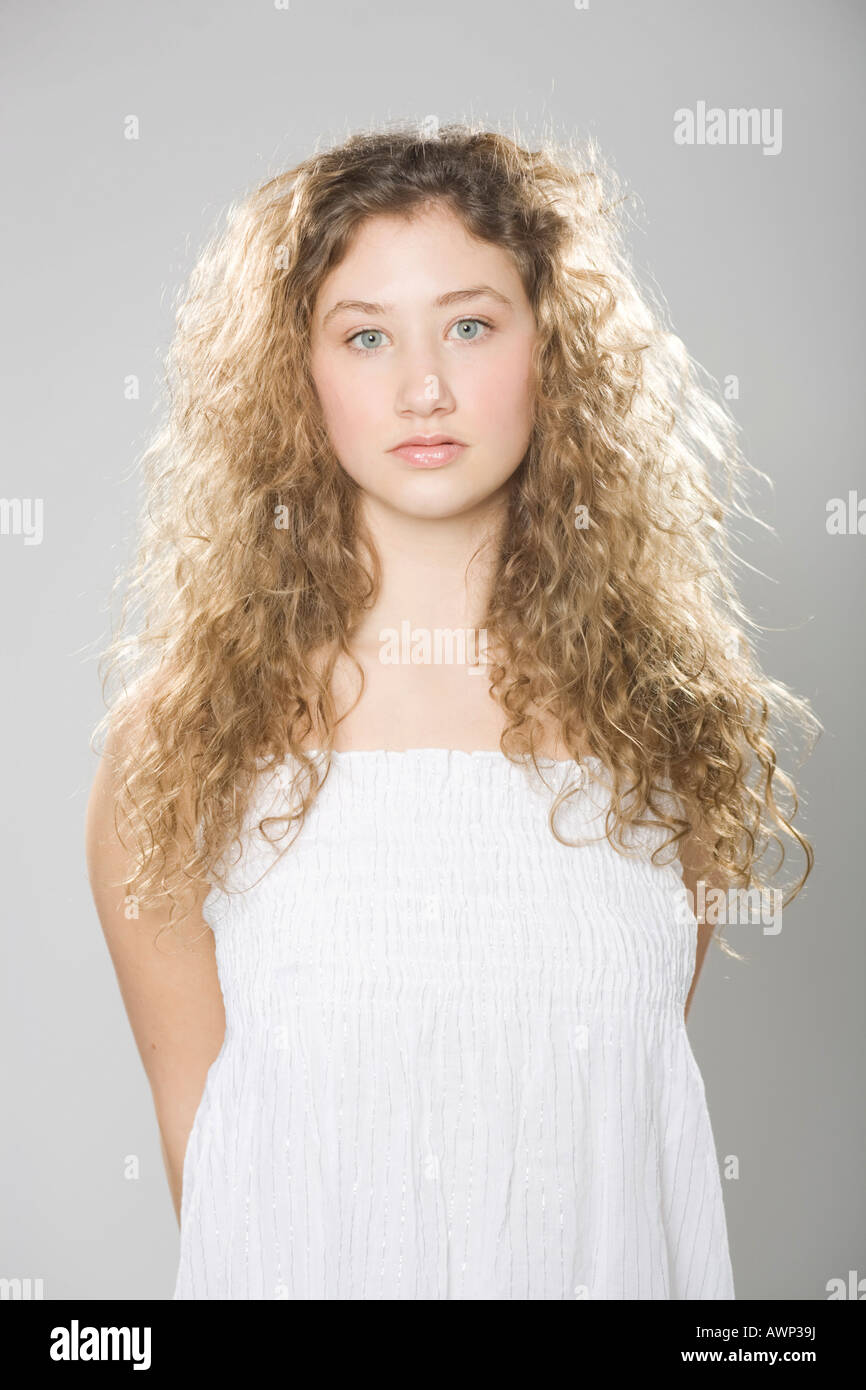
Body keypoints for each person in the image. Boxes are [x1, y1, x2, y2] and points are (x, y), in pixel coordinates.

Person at [85, 122, 819, 1300]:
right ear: (299, 373)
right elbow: (213, 1174)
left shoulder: (662, 726)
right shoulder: (183, 739)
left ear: (551, 350)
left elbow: (604, 1137)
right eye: (365, 335)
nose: (421, 386)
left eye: (469, 326)